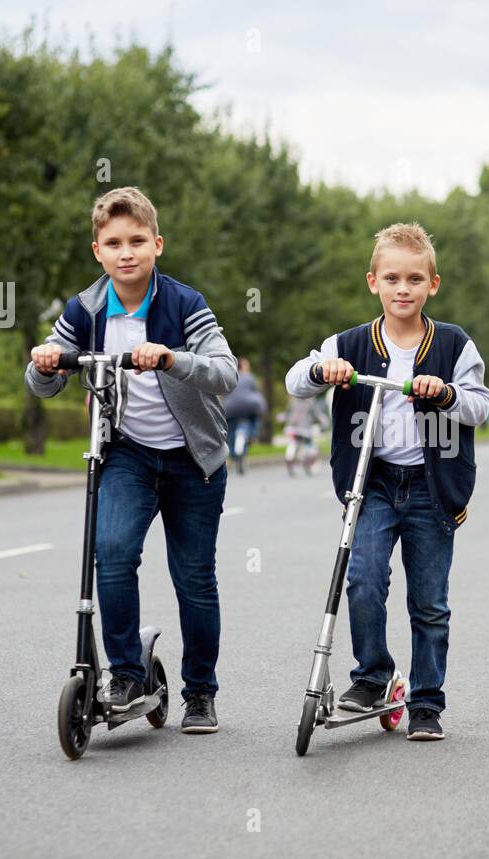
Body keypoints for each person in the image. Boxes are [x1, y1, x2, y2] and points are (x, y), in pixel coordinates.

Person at [25, 186, 237, 734]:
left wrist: (172, 358)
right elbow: (41, 381)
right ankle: (124, 674)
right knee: (113, 553)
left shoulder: (184, 305)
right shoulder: (86, 308)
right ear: (98, 251)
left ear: (156, 245)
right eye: (113, 243)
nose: (126, 252)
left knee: (194, 577)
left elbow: (225, 371)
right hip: (127, 455)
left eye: (137, 241)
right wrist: (47, 364)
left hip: (194, 460)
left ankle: (200, 694)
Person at [284, 222, 489, 741]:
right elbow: (296, 380)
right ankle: (374, 676)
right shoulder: (348, 343)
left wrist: (444, 393)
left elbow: (479, 405)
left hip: (431, 485)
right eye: (393, 278)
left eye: (415, 279)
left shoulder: (453, 344)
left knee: (429, 601)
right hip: (372, 482)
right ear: (373, 281)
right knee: (364, 581)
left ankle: (425, 701)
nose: (404, 289)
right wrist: (321, 371)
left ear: (432, 285)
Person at [223, 357, 267, 474]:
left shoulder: (229, 376)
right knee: (256, 417)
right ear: (244, 367)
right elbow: (256, 392)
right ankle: (252, 435)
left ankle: (233, 454)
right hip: (249, 407)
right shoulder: (250, 377)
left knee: (231, 430)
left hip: (231, 409)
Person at [279, 394, 330, 476]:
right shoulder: (310, 401)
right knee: (309, 443)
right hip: (304, 427)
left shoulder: (293, 399)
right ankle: (308, 459)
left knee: (294, 442)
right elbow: (316, 414)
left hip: (292, 426)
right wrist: (323, 421)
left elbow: (287, 413)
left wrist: (282, 418)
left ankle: (290, 458)